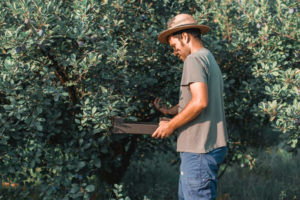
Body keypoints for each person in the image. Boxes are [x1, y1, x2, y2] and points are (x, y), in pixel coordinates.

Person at [152, 14, 228, 200]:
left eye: (174, 46)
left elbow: (200, 102)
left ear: (185, 37)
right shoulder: (208, 57)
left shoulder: (193, 60)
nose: (174, 51)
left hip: (198, 151)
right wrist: (172, 111)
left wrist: (170, 125)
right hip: (210, 147)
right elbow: (198, 96)